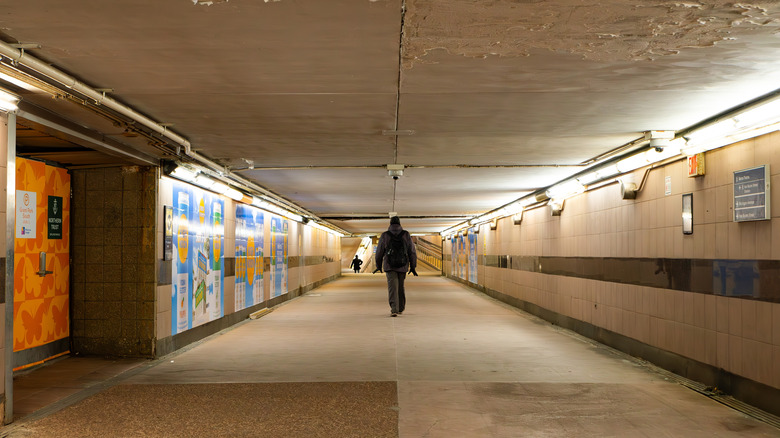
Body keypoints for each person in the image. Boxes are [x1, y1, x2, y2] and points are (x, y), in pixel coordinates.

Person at [373, 216, 417, 317]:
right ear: (399, 223)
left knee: (392, 287)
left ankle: (394, 309)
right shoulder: (406, 234)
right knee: (401, 286)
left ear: (390, 223)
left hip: (389, 265)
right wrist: (413, 266)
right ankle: (401, 308)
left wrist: (378, 265)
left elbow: (379, 252)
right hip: (403, 265)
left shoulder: (385, 235)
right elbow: (412, 251)